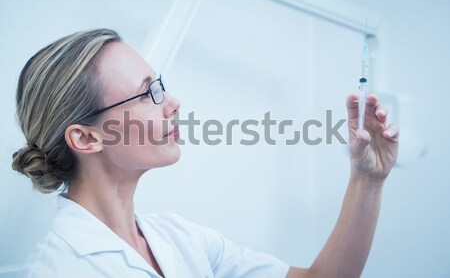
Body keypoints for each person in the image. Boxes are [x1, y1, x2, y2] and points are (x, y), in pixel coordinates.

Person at [12, 29, 399, 278]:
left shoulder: (179, 239)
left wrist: (368, 180)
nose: (172, 102)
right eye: (148, 94)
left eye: (159, 86)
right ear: (85, 138)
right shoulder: (58, 268)